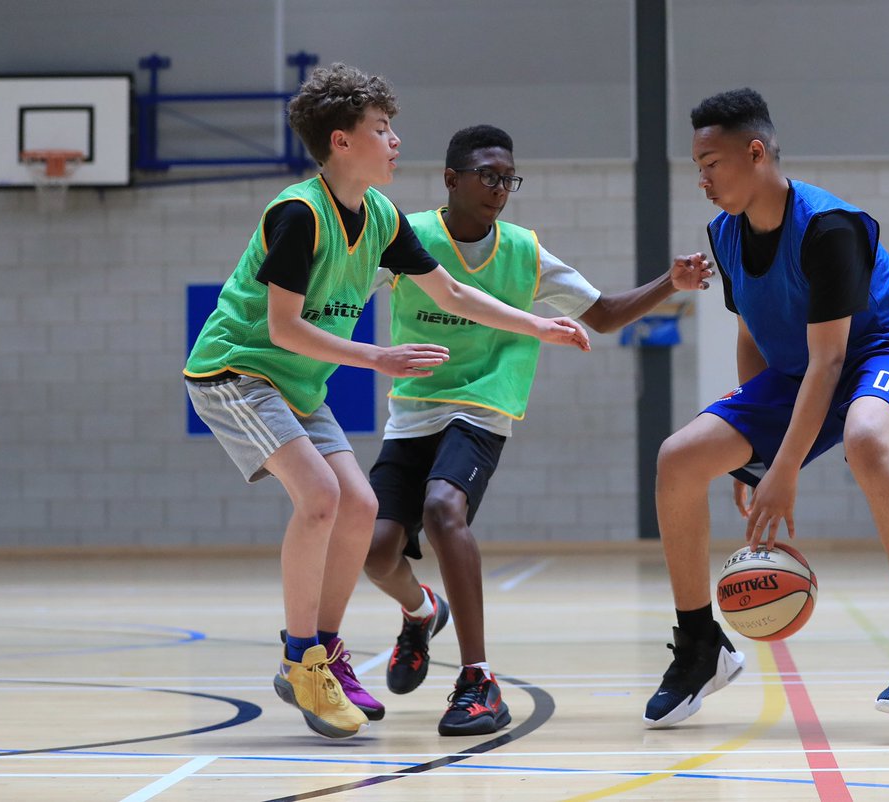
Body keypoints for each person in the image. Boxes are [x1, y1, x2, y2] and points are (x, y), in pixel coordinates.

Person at [183, 66, 589, 740]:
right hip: (237, 372)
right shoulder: (298, 214)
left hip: (297, 385)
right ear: (342, 142)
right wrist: (377, 357)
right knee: (318, 497)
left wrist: (535, 323)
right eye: (383, 129)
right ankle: (299, 656)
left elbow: (452, 293)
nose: (397, 140)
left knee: (363, 508)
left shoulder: (379, 217)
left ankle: (328, 651)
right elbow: (283, 328)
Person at [362, 124, 712, 736]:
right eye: (489, 176)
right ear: (451, 179)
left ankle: (478, 680)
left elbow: (601, 315)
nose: (501, 188)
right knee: (375, 551)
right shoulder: (407, 237)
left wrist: (670, 283)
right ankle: (420, 613)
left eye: (508, 178)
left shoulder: (525, 252)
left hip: (481, 408)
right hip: (412, 411)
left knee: (445, 510)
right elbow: (342, 292)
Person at [643, 88, 889, 728]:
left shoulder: (827, 228)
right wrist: (750, 462)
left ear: (755, 152)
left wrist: (782, 471)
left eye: (711, 163)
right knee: (678, 459)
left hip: (886, 353)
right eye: (697, 166)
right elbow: (751, 334)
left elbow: (831, 362)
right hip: (802, 368)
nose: (701, 178)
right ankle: (701, 645)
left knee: (869, 439)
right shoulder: (724, 234)